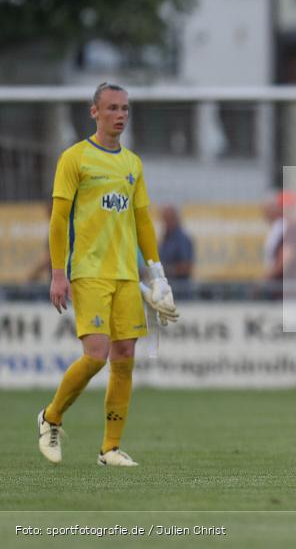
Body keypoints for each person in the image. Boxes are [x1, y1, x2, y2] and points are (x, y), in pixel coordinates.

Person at [38, 82, 179, 467]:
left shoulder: (132, 164)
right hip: (88, 272)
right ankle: (50, 417)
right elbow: (58, 219)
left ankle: (109, 448)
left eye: (125, 109)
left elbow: (142, 222)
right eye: (113, 108)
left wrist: (158, 275)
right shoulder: (75, 158)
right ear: (94, 112)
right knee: (96, 355)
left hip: (125, 276)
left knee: (124, 355)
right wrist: (57, 272)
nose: (121, 115)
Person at [158, 205, 195, 282]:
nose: (165, 223)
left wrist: (167, 270)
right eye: (164, 220)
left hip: (180, 289)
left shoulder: (183, 240)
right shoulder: (165, 239)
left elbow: (186, 267)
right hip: (168, 286)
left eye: (168, 219)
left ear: (175, 219)